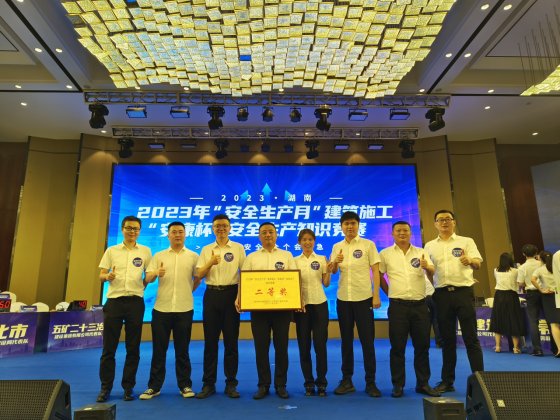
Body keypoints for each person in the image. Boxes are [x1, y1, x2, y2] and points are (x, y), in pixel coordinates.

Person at [424, 210, 484, 394]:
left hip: (463, 293)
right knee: (447, 340)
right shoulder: (429, 246)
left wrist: (470, 260)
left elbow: (478, 264)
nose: (444, 222)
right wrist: (432, 283)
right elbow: (429, 271)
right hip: (442, 295)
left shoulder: (466, 241)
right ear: (435, 224)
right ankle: (447, 381)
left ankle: (480, 382)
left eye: (448, 219)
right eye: (440, 220)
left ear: (454, 222)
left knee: (471, 338)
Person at [139, 221, 201, 400]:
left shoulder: (193, 256)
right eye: (174, 232)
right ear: (168, 235)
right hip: (162, 308)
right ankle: (154, 387)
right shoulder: (159, 255)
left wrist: (187, 291)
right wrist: (155, 273)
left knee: (183, 350)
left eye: (181, 232)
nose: (177, 235)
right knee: (159, 350)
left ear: (185, 234)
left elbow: (197, 278)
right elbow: (148, 278)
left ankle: (185, 386)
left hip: (184, 308)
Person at [379, 221, 440, 399]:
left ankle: (423, 384)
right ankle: (398, 385)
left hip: (420, 306)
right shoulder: (385, 253)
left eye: (405, 230)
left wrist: (427, 267)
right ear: (392, 234)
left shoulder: (421, 252)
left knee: (422, 346)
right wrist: (389, 293)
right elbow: (379, 275)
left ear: (411, 233)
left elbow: (432, 270)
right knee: (397, 347)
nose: (402, 233)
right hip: (397, 306)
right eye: (398, 230)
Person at [239, 222, 298, 400]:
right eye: (264, 232)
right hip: (259, 309)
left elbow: (294, 280)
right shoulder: (252, 257)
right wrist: (240, 298)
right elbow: (244, 282)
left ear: (276, 234)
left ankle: (281, 385)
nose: (267, 235)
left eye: (271, 232)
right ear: (259, 236)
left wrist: (297, 299)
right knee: (261, 348)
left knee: (282, 347)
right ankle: (263, 385)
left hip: (281, 309)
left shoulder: (287, 255)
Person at [97, 216, 152, 402]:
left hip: (135, 303)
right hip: (114, 302)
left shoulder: (145, 251)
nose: (132, 231)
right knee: (109, 348)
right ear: (122, 229)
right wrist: (107, 277)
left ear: (139, 231)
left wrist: (143, 285)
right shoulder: (112, 250)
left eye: (136, 229)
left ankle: (129, 387)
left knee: (133, 347)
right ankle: (105, 388)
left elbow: (147, 277)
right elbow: (101, 275)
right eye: (129, 228)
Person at [330, 211, 382, 398]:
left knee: (367, 341)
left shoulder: (368, 244)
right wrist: (335, 262)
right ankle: (347, 380)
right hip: (344, 299)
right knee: (346, 341)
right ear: (341, 227)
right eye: (346, 224)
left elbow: (376, 271)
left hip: (364, 298)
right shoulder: (337, 246)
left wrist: (376, 295)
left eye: (353, 223)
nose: (350, 226)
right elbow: (333, 271)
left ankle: (371, 382)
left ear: (358, 225)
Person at [195, 214, 246, 399]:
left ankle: (231, 384)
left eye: (224, 225)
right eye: (217, 226)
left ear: (230, 228)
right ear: (213, 228)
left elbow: (244, 274)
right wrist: (211, 262)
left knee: (231, 342)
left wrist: (240, 297)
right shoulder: (206, 249)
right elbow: (199, 274)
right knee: (210, 342)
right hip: (211, 295)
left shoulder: (238, 248)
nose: (221, 228)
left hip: (231, 295)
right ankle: (208, 384)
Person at [294, 229, 332, 397]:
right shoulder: (294, 261)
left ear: (314, 241)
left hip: (319, 304)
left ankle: (321, 383)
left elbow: (326, 283)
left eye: (310, 239)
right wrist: (297, 301)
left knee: (320, 346)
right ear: (299, 243)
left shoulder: (321, 259)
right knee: (304, 347)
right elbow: (292, 284)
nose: (307, 242)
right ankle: (308, 383)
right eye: (304, 240)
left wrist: (328, 270)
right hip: (301, 307)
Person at [517, 244, 557, 356]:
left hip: (532, 294)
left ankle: (537, 349)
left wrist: (529, 284)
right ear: (536, 254)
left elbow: (520, 284)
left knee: (533, 322)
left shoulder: (522, 267)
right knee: (551, 321)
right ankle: (556, 348)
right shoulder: (542, 263)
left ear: (523, 254)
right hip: (546, 293)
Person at [488, 253, 525, 353]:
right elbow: (519, 282)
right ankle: (516, 348)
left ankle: (498, 347)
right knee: (514, 320)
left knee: (498, 320)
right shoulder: (515, 271)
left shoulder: (495, 270)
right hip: (511, 295)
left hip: (499, 295)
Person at [531, 251, 560, 358]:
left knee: (554, 324)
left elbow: (533, 279)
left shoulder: (540, 270)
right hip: (558, 294)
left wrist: (542, 290)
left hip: (548, 297)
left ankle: (559, 349)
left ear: (541, 260)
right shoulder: (557, 267)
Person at [425, 276, 444, 348]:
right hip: (435, 298)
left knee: (427, 321)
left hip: (426, 298)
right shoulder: (437, 276)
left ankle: (425, 343)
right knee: (436, 320)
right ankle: (438, 343)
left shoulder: (424, 276)